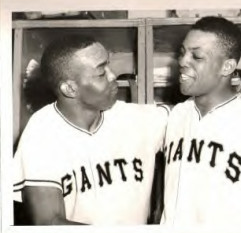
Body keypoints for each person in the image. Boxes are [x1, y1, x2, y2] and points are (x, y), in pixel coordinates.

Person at [13, 35, 169, 225]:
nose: (113, 76)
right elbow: (48, 222)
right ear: (70, 88)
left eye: (109, 66)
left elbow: (194, 117)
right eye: (101, 73)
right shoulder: (42, 131)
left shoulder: (137, 118)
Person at [160, 16, 241, 225]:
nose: (182, 61)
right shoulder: (177, 116)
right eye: (182, 53)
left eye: (196, 57)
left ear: (227, 67)